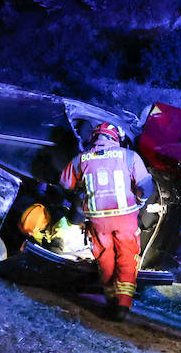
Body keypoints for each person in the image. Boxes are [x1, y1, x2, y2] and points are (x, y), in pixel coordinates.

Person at [60, 122, 157, 321]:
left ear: (95, 138)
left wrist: (82, 188)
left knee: (105, 258)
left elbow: (65, 183)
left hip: (98, 220)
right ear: (115, 138)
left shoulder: (81, 159)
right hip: (125, 218)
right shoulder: (129, 156)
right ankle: (122, 305)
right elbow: (145, 186)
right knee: (127, 258)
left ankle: (111, 300)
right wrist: (141, 200)